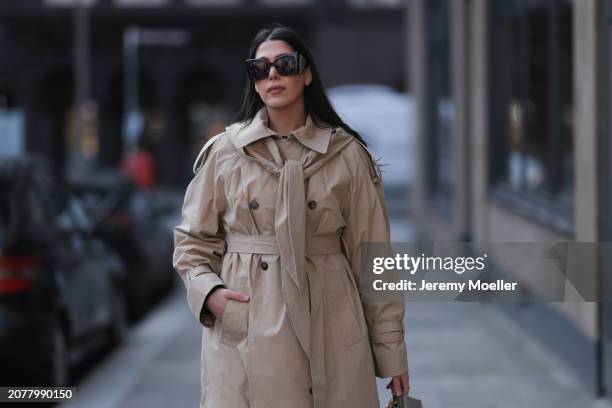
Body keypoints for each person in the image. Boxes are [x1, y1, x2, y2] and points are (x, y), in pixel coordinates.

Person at [173, 22, 410, 408]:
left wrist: (392, 351)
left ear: (307, 72)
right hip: (247, 327)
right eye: (259, 68)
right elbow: (192, 243)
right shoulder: (225, 153)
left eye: (285, 63)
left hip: (332, 326)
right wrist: (211, 294)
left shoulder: (347, 154)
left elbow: (375, 261)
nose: (272, 75)